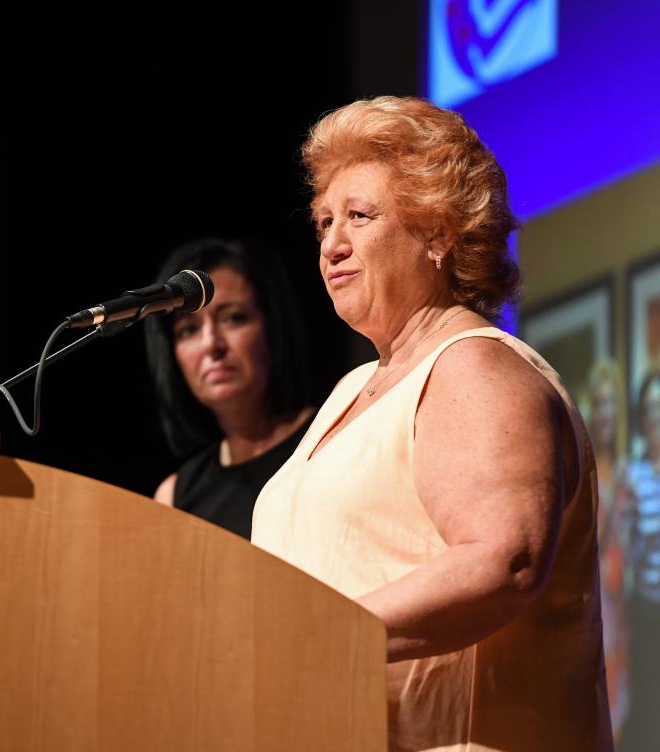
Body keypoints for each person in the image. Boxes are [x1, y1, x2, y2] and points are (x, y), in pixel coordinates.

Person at [251, 97, 612, 751]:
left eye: (360, 217)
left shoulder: (474, 366)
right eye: (325, 221)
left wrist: (316, 637)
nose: (332, 244)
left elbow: (503, 562)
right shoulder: (351, 391)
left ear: (441, 234)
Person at [145, 238, 315, 539]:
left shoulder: (333, 435)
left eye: (233, 318)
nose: (212, 344)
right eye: (189, 330)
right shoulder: (175, 496)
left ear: (272, 327)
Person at [583, 360, 631, 739]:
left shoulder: (631, 467)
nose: (606, 412)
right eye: (600, 403)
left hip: (632, 602)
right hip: (596, 602)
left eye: (612, 402)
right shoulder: (585, 467)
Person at [621, 366, 660, 750]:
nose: (655, 417)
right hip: (647, 609)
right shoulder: (632, 475)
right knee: (649, 703)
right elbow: (624, 549)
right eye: (649, 409)